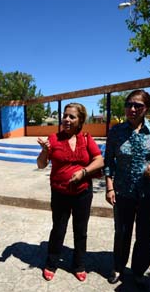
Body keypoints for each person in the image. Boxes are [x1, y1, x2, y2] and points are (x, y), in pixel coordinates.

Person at [104, 90, 150, 289]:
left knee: (145, 234)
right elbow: (109, 161)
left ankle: (138, 271)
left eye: (138, 105)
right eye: (129, 104)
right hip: (122, 191)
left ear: (147, 108)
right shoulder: (116, 131)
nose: (132, 108)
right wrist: (109, 187)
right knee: (121, 231)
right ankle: (119, 267)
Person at [36, 103, 104, 282]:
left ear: (80, 120)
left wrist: (83, 172)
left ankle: (79, 264)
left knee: (80, 230)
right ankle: (51, 263)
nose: (66, 119)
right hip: (60, 193)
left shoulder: (86, 138)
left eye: (71, 117)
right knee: (58, 229)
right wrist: (45, 150)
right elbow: (41, 164)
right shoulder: (53, 138)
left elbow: (99, 160)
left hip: (83, 192)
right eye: (65, 116)